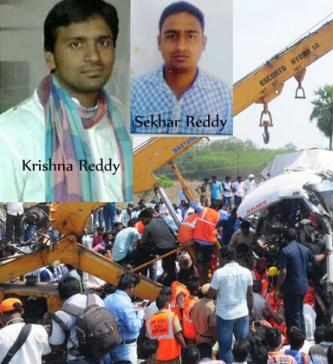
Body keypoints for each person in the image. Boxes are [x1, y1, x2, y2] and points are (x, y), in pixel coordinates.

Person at [0, 0, 131, 201]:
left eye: (103, 42)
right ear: (50, 57)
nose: (94, 57)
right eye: (76, 44)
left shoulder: (123, 116)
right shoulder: (10, 135)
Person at [130, 1, 232, 135]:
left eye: (190, 36)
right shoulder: (135, 92)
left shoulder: (224, 96)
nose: (181, 47)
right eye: (172, 36)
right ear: (159, 42)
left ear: (203, 43)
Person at [276, 228, 329, 333]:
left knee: (292, 316)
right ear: (296, 237)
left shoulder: (285, 251)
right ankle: (302, 336)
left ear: (286, 239)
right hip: (303, 287)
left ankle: (296, 338)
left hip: (292, 289)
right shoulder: (304, 249)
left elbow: (283, 272)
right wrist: (325, 254)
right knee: (299, 313)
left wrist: (277, 288)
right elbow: (315, 259)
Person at [208, 246, 253, 364]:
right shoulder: (246, 272)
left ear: (224, 258)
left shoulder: (219, 273)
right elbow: (250, 295)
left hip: (225, 316)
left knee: (225, 347)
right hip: (242, 313)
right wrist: (250, 311)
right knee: (243, 345)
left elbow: (211, 294)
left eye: (219, 258)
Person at [50, 276, 105, 363]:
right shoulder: (96, 299)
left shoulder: (61, 314)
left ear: (60, 294)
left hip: (77, 358)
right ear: (80, 289)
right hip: (101, 352)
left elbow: (56, 344)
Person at [103, 273, 145, 363]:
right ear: (131, 287)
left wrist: (133, 308)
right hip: (125, 348)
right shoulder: (125, 304)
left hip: (110, 345)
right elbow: (135, 327)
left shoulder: (108, 299)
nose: (136, 290)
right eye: (136, 287)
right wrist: (141, 312)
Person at [0, 298, 51, 363]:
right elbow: (45, 351)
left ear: (2, 317)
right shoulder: (40, 330)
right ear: (22, 311)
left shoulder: (1, 334)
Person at [140, 208, 178, 285]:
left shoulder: (147, 227)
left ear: (148, 217)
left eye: (143, 220)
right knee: (171, 265)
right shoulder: (161, 220)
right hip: (173, 246)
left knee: (143, 249)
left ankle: (170, 282)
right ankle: (171, 279)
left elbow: (143, 241)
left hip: (163, 248)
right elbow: (171, 231)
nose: (142, 222)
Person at [146, 294, 187, 363]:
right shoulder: (172, 316)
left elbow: (149, 339)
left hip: (157, 357)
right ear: (167, 304)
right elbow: (178, 335)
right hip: (173, 355)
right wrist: (185, 348)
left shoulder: (149, 320)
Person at [193, 200, 221, 282]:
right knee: (207, 262)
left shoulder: (203, 210)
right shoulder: (217, 215)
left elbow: (192, 204)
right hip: (209, 243)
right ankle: (205, 280)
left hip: (198, 241)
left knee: (200, 262)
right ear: (217, 208)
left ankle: (200, 279)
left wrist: (185, 190)